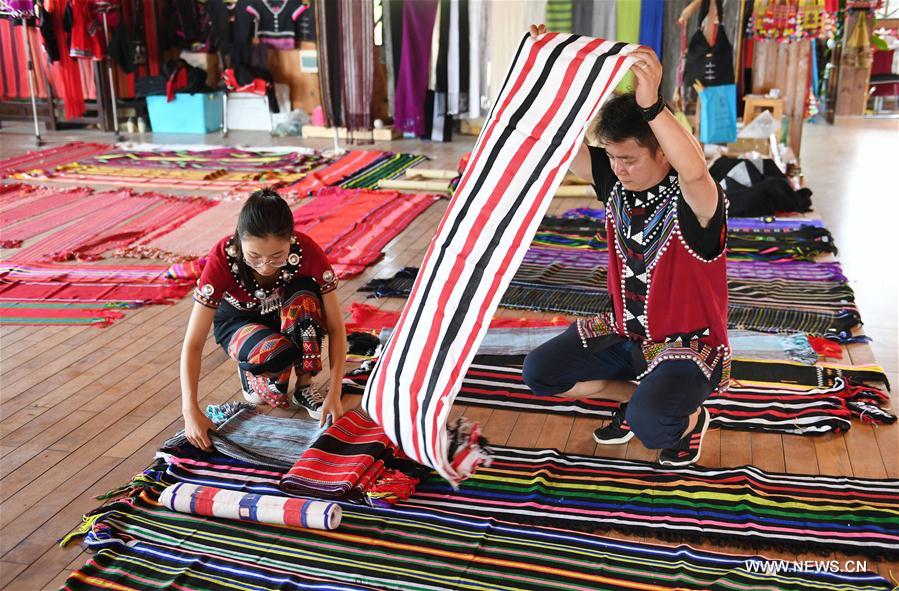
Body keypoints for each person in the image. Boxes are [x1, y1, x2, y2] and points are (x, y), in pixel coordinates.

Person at [522, 25, 729, 466]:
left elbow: (694, 171)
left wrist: (651, 102)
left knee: (655, 427)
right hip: (624, 333)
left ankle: (690, 417)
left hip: (686, 349)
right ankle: (638, 399)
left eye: (629, 159)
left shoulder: (697, 201)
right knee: (540, 373)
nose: (617, 169)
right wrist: (546, 68)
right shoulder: (615, 182)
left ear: (662, 153)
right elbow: (560, 143)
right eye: (611, 157)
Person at [180, 189, 346, 451]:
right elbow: (193, 343)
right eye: (254, 256)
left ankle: (305, 386)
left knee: (306, 293)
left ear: (291, 240)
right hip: (238, 322)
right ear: (239, 240)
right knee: (273, 367)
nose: (266, 266)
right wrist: (190, 411)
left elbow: (336, 327)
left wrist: (335, 393)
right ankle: (254, 367)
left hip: (286, 317)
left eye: (277, 256)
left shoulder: (308, 250)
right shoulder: (223, 257)